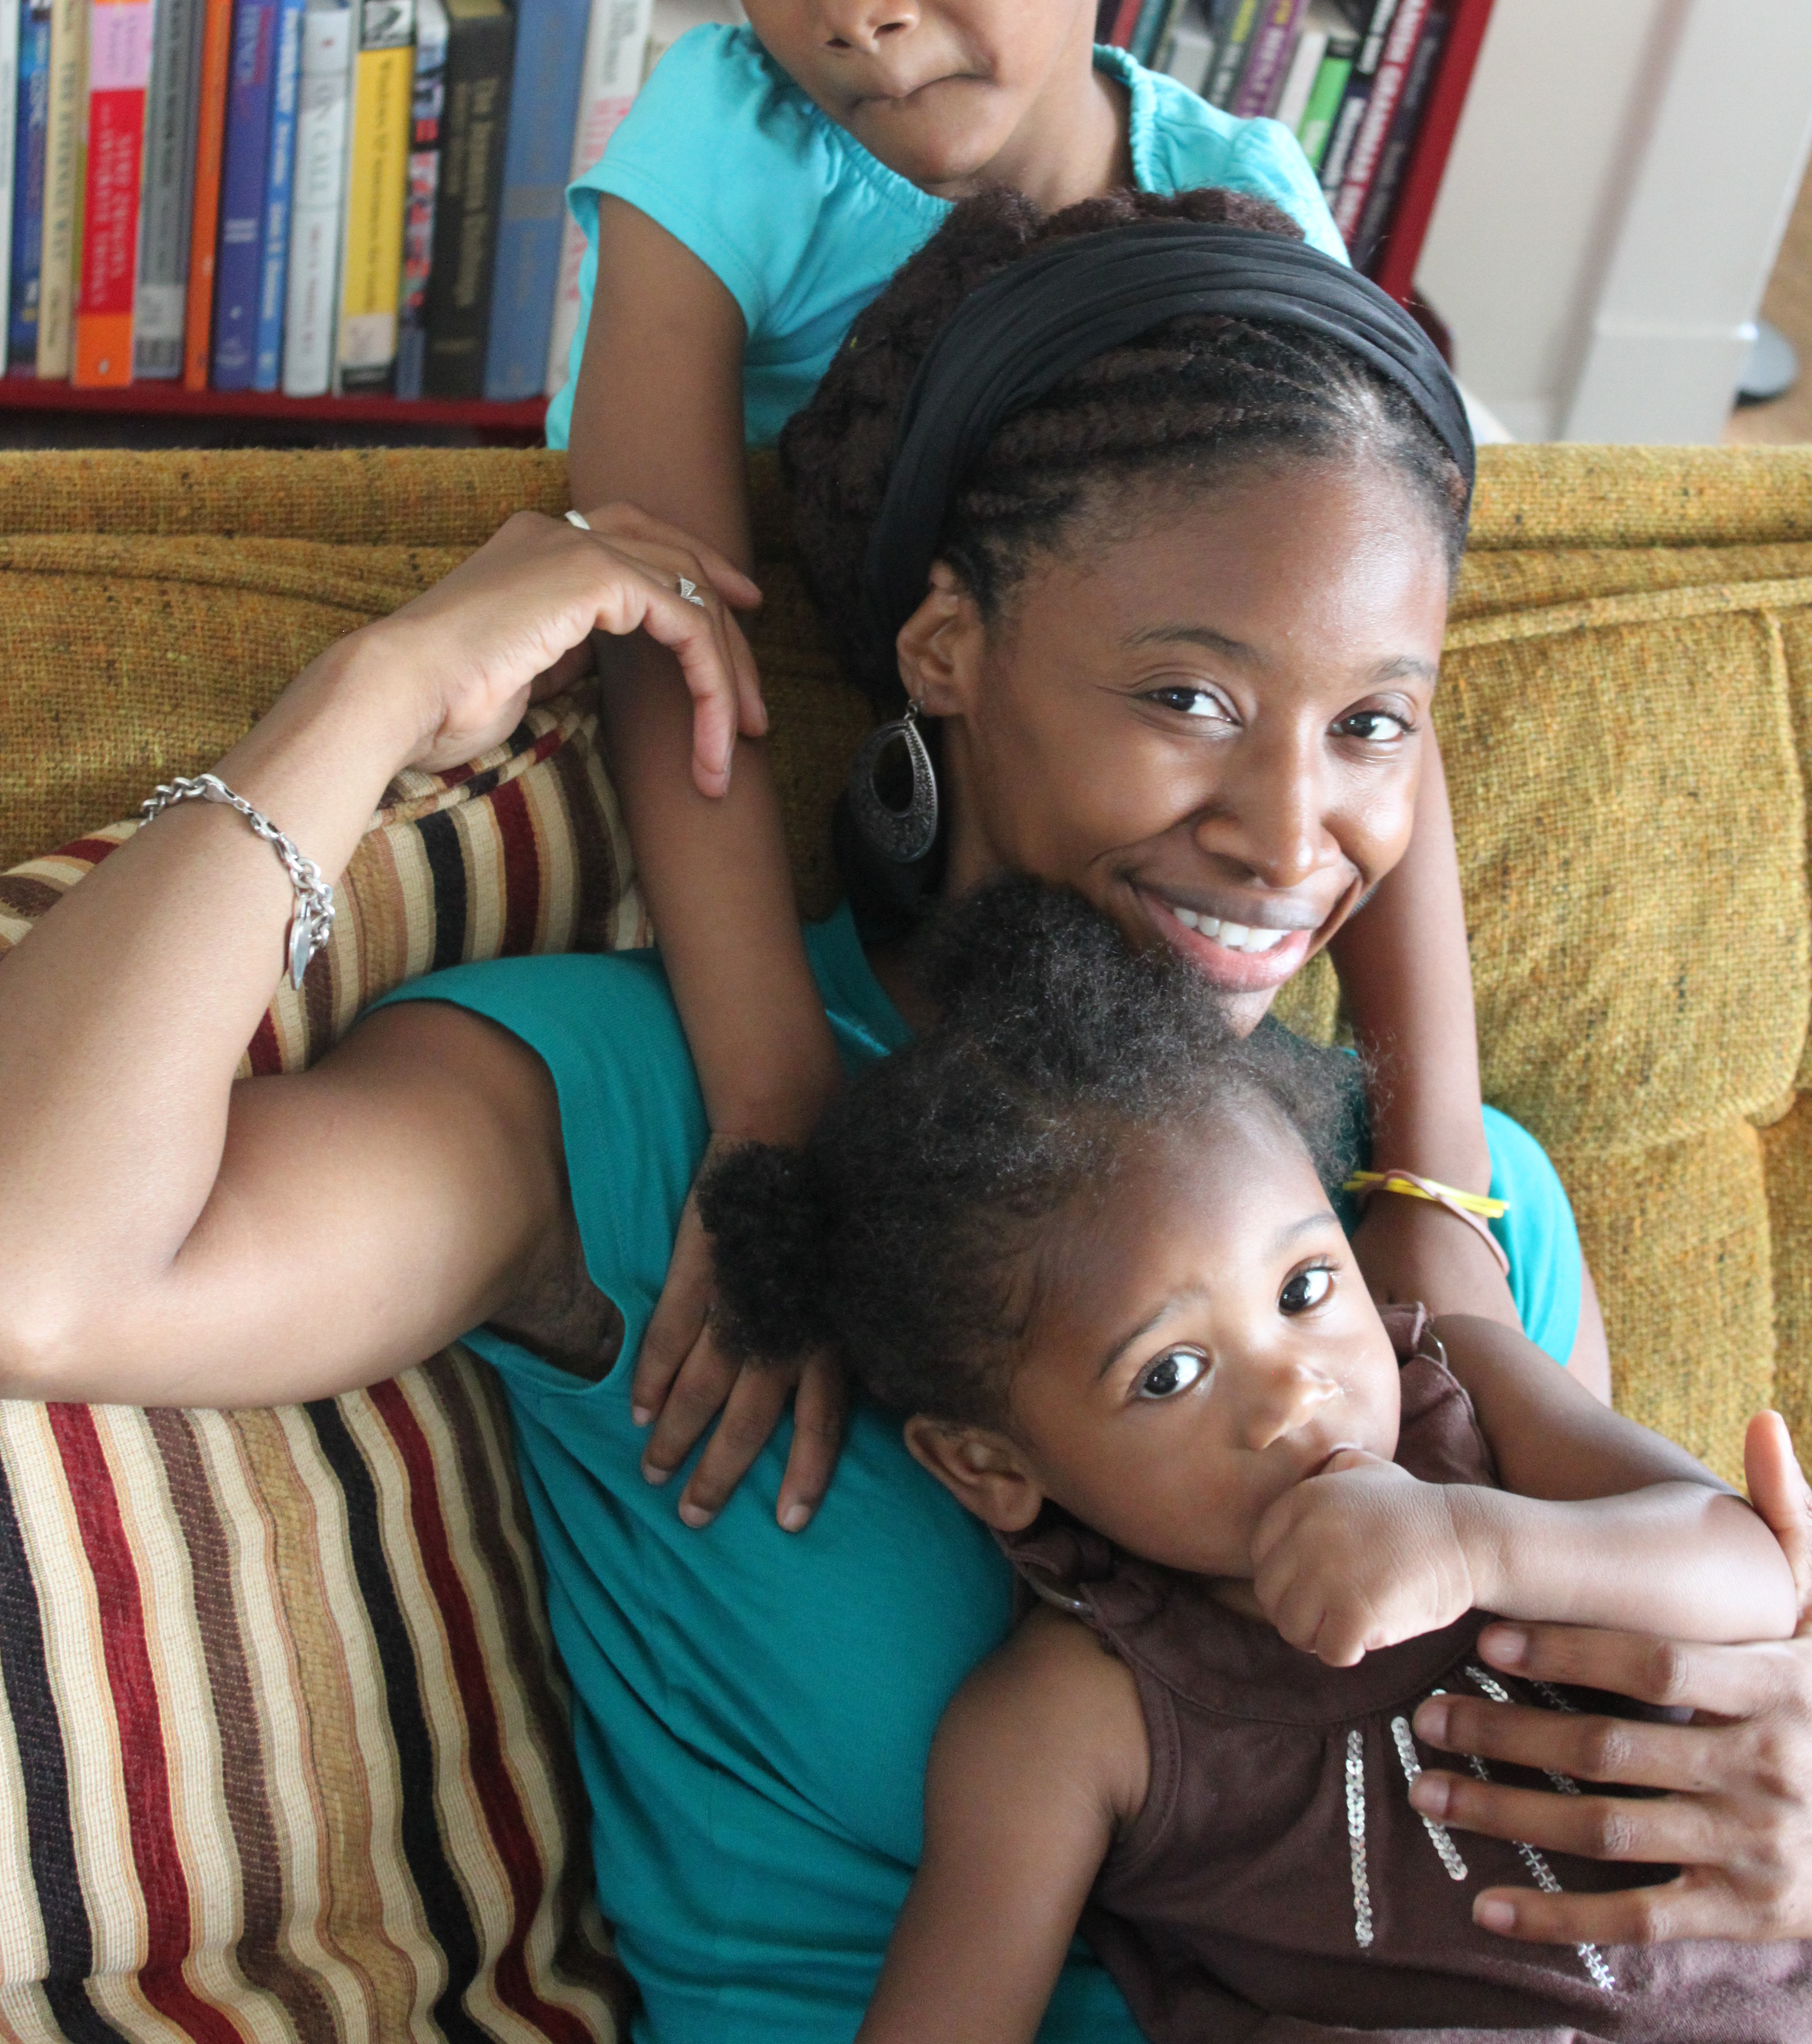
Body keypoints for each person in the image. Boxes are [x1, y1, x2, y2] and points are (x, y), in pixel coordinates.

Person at [1, 198, 1807, 2043]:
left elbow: (1626, 1817)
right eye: (1187, 697)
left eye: (1369, 726)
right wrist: (374, 694)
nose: (1287, 838)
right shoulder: (648, 1112)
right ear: (945, 645)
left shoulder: (1449, 1219)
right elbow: (35, 1276)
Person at [551, 0, 1544, 1538]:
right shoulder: (723, 148)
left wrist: (1439, 1180)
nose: (849, 5)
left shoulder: (1238, 190)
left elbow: (1360, 671)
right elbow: (658, 625)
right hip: (849, 858)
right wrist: (773, 1119)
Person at [702, 880, 1807, 2042]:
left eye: (1304, 1289)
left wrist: (1473, 1543)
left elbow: (1756, 1576)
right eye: (1170, 1373)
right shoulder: (1069, 1725)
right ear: (989, 1467)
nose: (1292, 1389)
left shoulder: (1466, 1394)